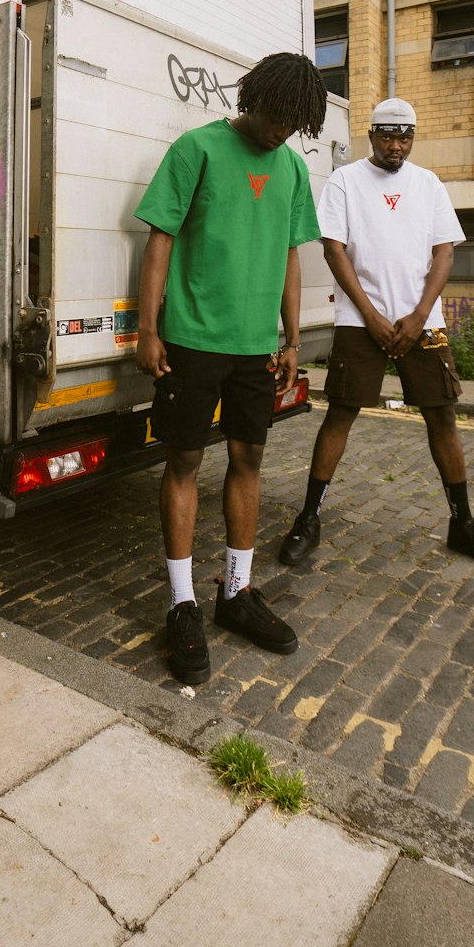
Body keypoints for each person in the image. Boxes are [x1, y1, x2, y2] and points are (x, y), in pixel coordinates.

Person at [135, 52, 326, 685]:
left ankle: (236, 593)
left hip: (256, 347)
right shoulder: (198, 149)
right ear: (253, 98)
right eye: (276, 116)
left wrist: (293, 336)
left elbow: (292, 258)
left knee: (249, 460)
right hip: (193, 339)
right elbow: (159, 238)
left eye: (294, 124)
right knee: (185, 461)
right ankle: (182, 603)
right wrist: (149, 327)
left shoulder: (294, 167)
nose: (281, 131)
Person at [279, 96, 474, 573]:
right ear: (372, 135)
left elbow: (444, 253)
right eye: (388, 135)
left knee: (442, 416)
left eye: (406, 136)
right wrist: (371, 315)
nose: (397, 145)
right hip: (360, 322)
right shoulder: (346, 180)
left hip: (422, 324)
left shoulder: (427, 183)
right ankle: (309, 518)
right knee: (340, 414)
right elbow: (334, 250)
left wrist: (420, 314)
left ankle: (462, 523)